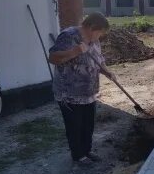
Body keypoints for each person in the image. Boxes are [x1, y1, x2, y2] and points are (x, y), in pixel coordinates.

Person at [49, 12, 115, 165]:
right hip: (69, 94)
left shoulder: (94, 41)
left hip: (89, 92)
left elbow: (99, 60)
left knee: (88, 125)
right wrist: (76, 51)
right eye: (99, 33)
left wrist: (107, 72)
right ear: (92, 27)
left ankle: (87, 151)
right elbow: (53, 58)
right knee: (75, 126)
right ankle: (78, 156)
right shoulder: (69, 36)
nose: (99, 37)